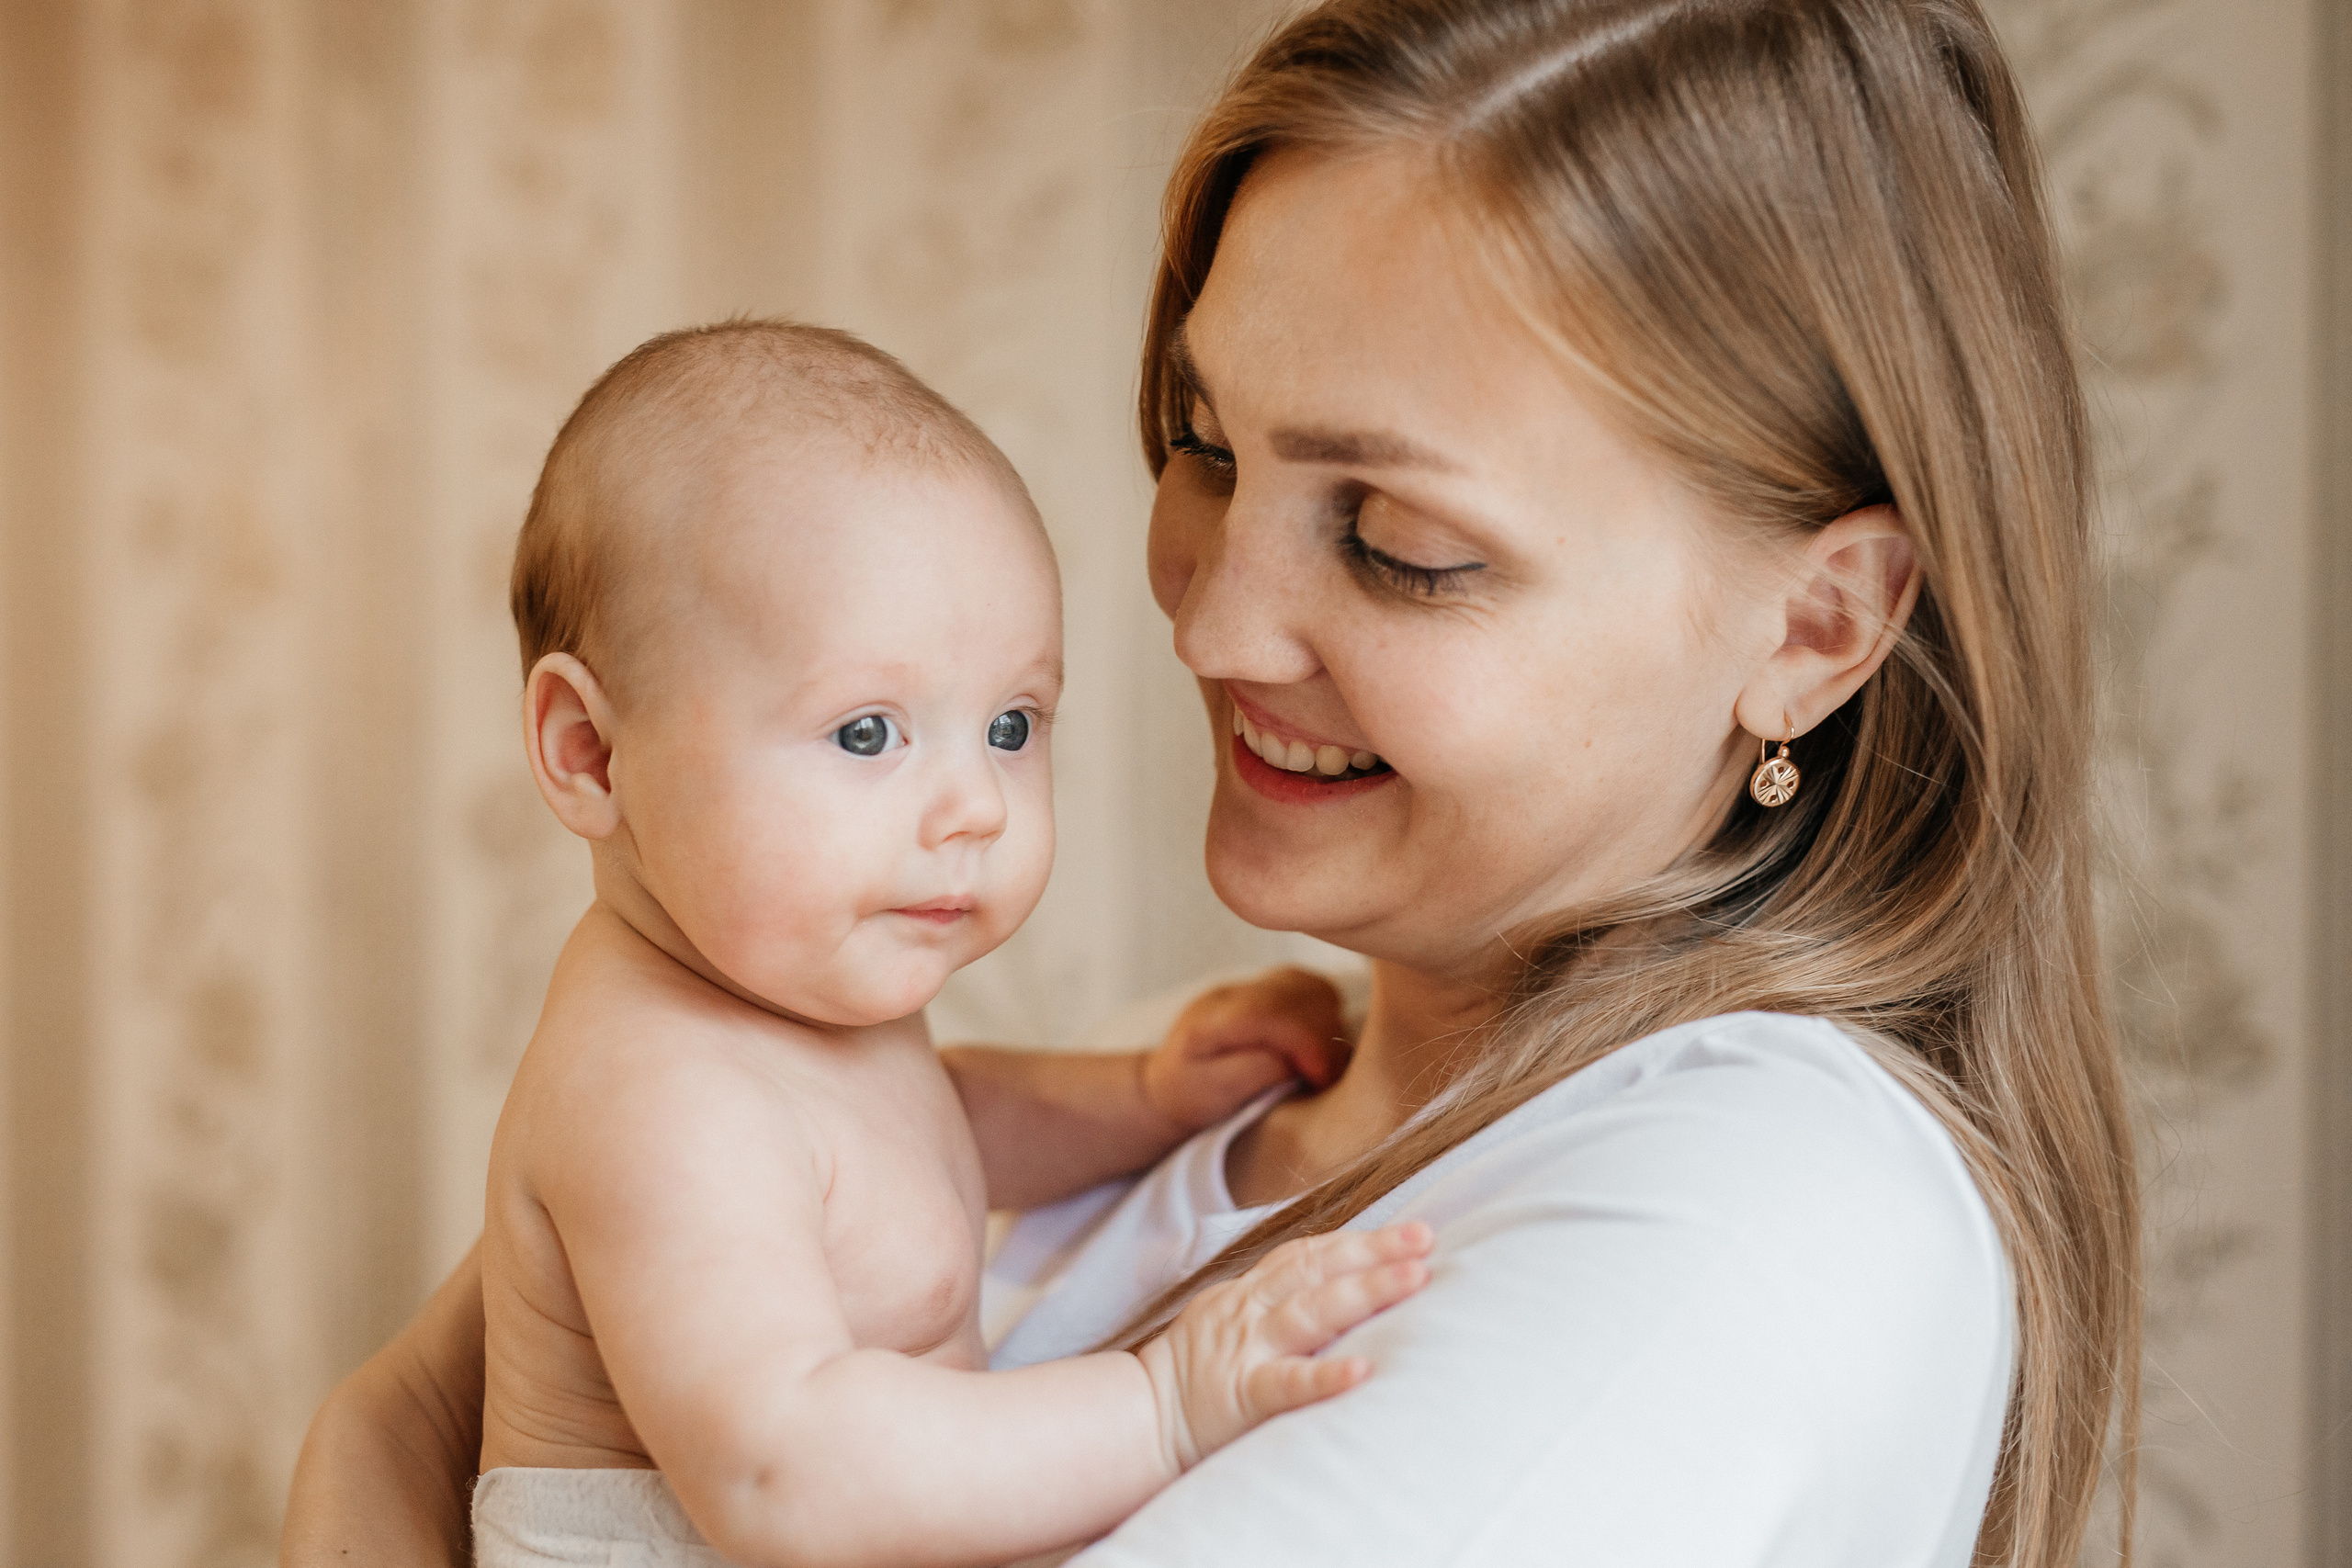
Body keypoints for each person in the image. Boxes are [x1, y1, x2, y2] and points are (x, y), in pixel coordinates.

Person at [282, 3, 2140, 1565]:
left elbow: (405, 1458)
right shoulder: (1176, 1083)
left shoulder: (1746, 1215)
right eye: (1202, 446)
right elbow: (407, 1431)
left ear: (1815, 625)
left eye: (1402, 542)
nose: (1210, 619)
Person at [463, 320, 1434, 1568]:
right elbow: (784, 1473)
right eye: (867, 733)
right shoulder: (654, 1095)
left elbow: (918, 1138)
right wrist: (1163, 1404)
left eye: (1012, 726)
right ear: (592, 754)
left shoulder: (780, 1006)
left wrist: (1142, 1096)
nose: (975, 805)